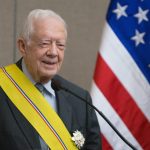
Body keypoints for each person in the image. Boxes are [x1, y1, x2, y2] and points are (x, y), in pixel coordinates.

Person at [0, 9, 101, 150]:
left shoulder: (79, 99)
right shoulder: (3, 86)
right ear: (23, 46)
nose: (53, 52)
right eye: (45, 43)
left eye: (60, 45)